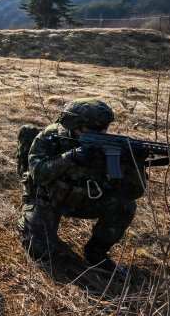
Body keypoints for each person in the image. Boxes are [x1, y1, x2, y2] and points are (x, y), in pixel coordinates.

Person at [17, 98, 145, 277]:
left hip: (86, 199)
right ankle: (28, 222)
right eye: (93, 128)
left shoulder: (111, 146)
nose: (101, 133)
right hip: (49, 198)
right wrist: (70, 157)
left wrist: (135, 164)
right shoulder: (50, 137)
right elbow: (38, 174)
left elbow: (134, 192)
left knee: (125, 205)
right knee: (38, 250)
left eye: (104, 128)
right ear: (73, 125)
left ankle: (96, 251)